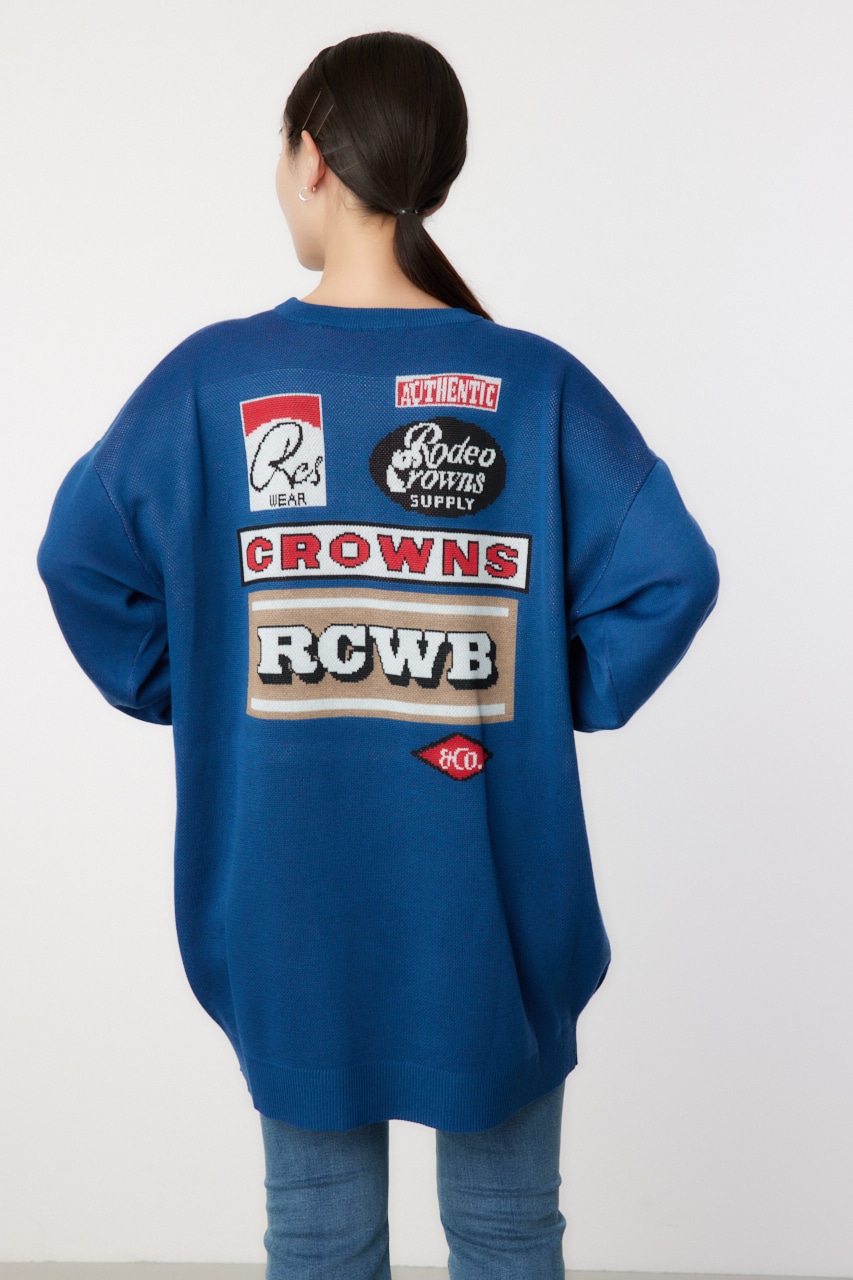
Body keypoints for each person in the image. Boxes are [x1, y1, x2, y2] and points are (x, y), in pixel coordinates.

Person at [36, 29, 720, 1280]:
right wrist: (534, 690)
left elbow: (80, 560)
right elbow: (670, 572)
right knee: (509, 1232)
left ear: (310, 157)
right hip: (492, 906)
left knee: (317, 1237)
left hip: (287, 901)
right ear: (428, 175)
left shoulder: (210, 382)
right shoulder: (533, 382)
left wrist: (203, 686)